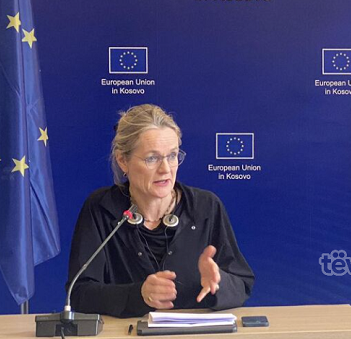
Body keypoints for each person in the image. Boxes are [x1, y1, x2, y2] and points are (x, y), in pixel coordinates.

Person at [68, 104, 255, 318]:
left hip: (198, 337)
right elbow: (80, 293)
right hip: (129, 338)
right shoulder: (101, 208)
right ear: (123, 161)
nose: (166, 169)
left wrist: (219, 282)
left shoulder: (205, 207)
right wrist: (139, 294)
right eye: (152, 158)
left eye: (172, 156)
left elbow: (243, 284)